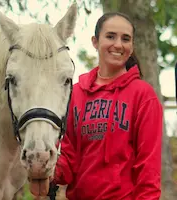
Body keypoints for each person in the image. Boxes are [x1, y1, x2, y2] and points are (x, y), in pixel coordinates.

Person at [53, 12, 163, 200]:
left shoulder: (143, 96)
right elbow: (68, 158)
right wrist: (46, 171)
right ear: (95, 42)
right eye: (110, 36)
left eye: (126, 39)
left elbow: (149, 169)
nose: (118, 44)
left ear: (132, 45)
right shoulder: (75, 94)